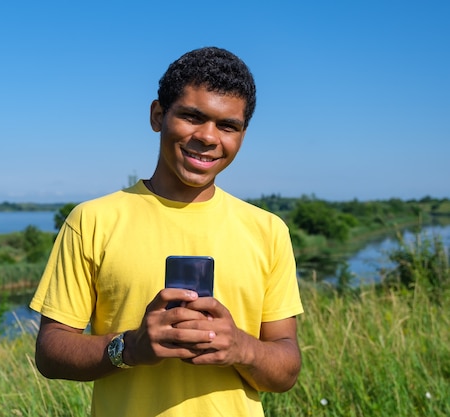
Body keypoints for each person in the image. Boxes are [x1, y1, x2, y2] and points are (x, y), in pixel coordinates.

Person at [30, 46, 304, 417]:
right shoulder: (91, 221)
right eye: (192, 116)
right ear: (158, 115)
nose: (208, 137)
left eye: (228, 126)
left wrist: (242, 347)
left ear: (242, 134)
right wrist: (131, 348)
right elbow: (50, 352)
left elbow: (286, 369)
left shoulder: (268, 230)